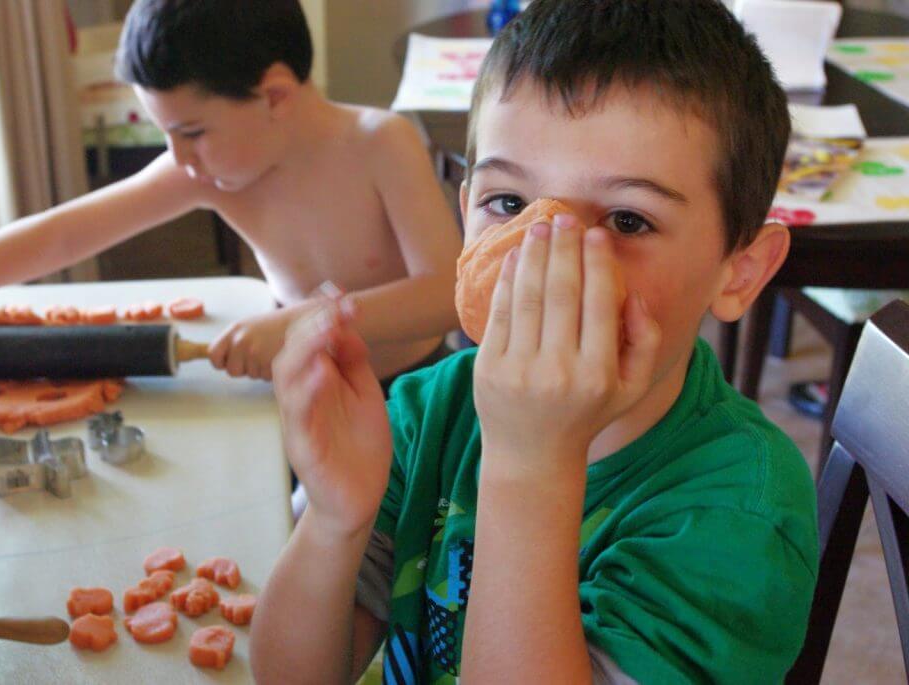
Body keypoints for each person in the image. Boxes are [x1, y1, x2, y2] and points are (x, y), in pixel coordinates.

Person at [250, 1, 819, 682]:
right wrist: (336, 521)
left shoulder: (736, 515)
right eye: (510, 203)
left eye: (628, 219)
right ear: (466, 215)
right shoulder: (424, 414)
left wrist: (530, 464)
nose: (542, 257)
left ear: (740, 270)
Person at [0, 0, 461, 387]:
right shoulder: (209, 170)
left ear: (276, 96)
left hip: (414, 390)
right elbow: (61, 234)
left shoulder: (381, 142)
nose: (178, 158)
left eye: (191, 132)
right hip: (310, 385)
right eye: (166, 133)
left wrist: (310, 321)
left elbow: (445, 294)